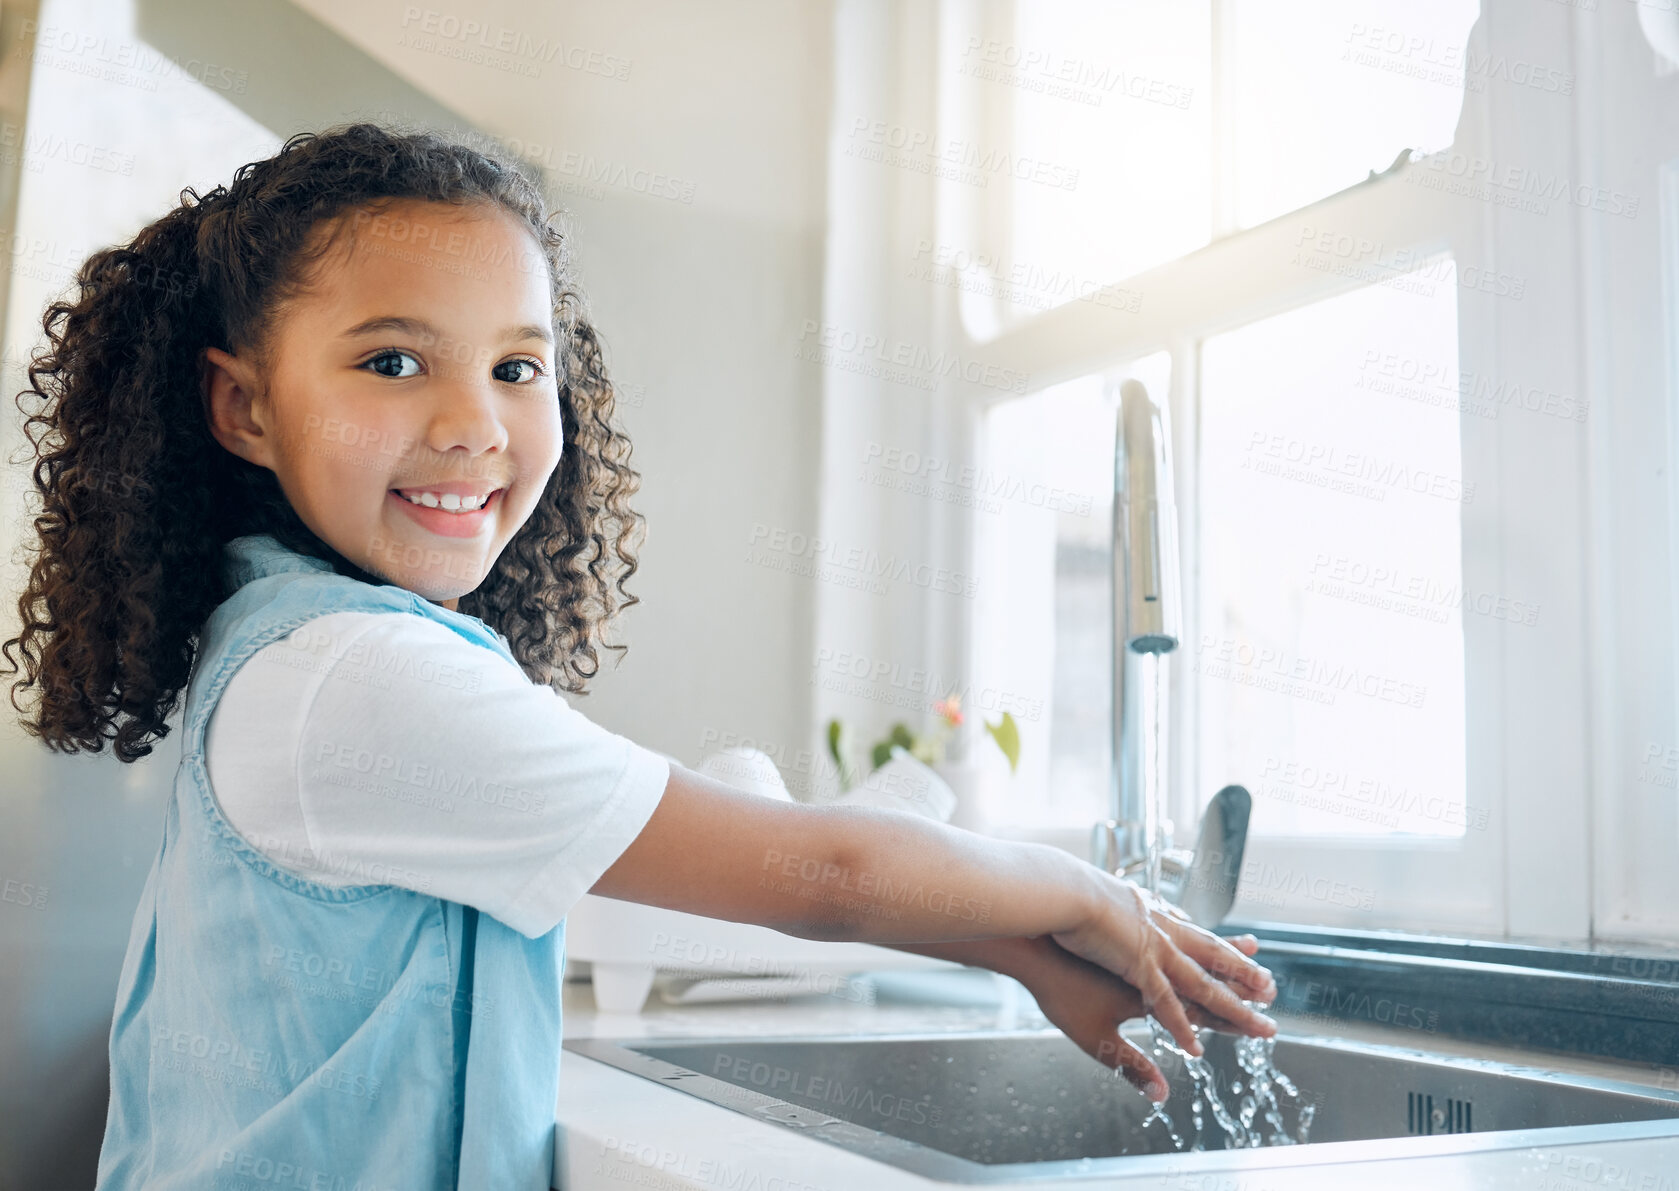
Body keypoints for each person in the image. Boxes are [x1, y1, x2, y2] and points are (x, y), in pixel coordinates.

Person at [0, 122, 1276, 1191]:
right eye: (392, 361)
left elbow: (638, 872)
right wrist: (1083, 895)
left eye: (516, 367)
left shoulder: (306, 645)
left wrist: (1012, 947)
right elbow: (817, 868)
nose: (473, 424)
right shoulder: (355, 679)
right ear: (243, 407)